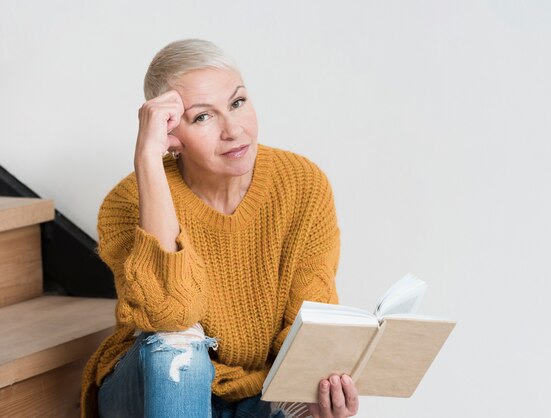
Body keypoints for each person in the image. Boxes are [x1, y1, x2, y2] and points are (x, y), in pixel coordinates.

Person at [79, 39, 359, 418]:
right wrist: (148, 159)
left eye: (237, 103)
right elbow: (169, 316)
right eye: (203, 117)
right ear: (171, 136)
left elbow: (307, 323)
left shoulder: (302, 184)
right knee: (177, 348)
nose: (233, 130)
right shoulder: (128, 201)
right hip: (155, 383)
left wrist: (319, 404)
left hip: (256, 395)